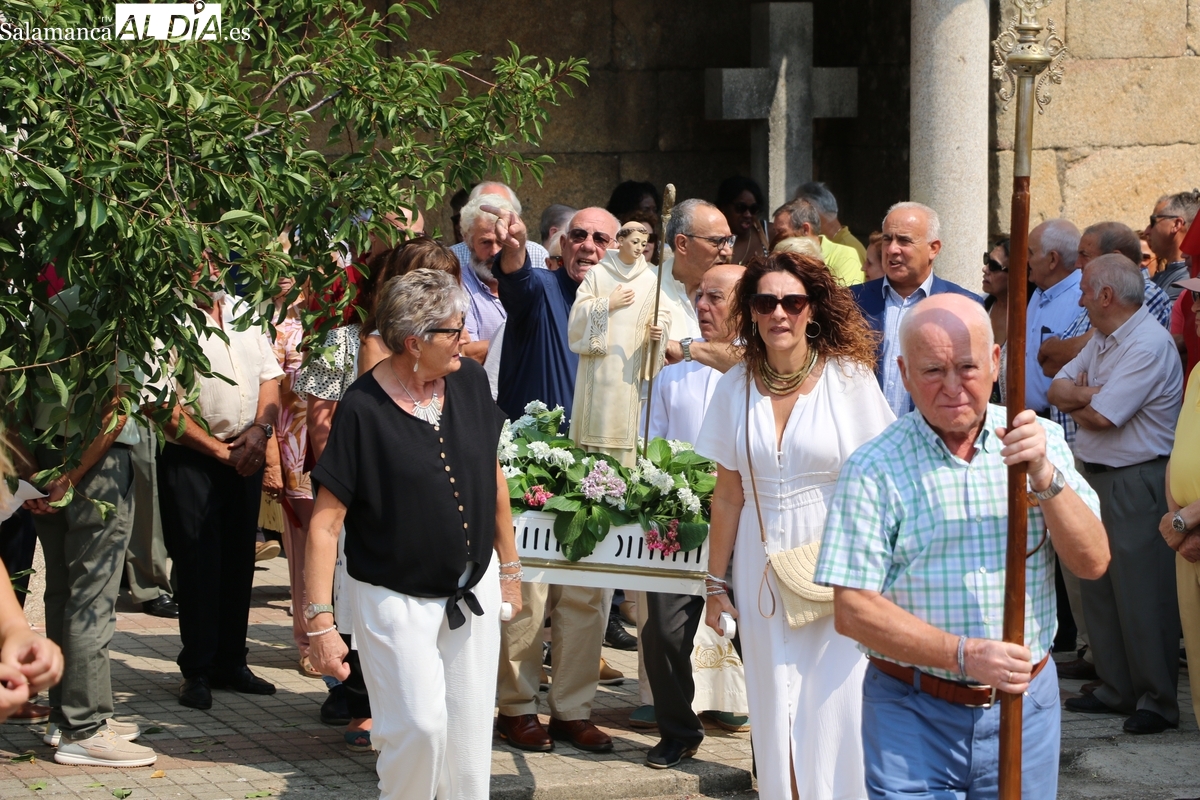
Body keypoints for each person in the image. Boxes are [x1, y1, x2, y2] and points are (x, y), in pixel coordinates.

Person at [817, 293, 1108, 800]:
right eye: (933, 370)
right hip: (911, 713)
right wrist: (964, 656)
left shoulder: (1037, 443)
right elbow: (853, 610)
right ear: (904, 374)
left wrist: (1044, 477)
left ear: (995, 363)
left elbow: (1093, 562)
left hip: (1024, 709)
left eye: (967, 367)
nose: (952, 387)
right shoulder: (874, 466)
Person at [305, 269, 520, 800]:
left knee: (469, 745)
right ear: (414, 342)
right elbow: (325, 524)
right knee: (418, 729)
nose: (466, 339)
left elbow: (492, 475)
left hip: (472, 588)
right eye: (454, 330)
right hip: (393, 596)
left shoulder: (469, 381)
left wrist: (511, 570)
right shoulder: (362, 408)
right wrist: (321, 624)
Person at [697, 252, 896, 799]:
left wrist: (882, 572)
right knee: (776, 704)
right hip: (760, 567)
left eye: (792, 301)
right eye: (765, 303)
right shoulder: (735, 386)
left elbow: (881, 481)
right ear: (751, 312)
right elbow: (728, 496)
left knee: (837, 706)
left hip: (839, 566)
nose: (779, 313)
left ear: (813, 309)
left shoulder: (849, 379)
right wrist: (714, 584)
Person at [488, 204, 621, 753]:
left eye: (601, 239)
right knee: (530, 594)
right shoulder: (541, 289)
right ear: (562, 245)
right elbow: (515, 279)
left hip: (599, 467)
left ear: (617, 249)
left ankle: (572, 710)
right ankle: (516, 708)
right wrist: (515, 247)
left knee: (586, 599)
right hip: (533, 469)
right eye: (578, 236)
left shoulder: (624, 304)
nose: (588, 245)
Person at [15, 283, 157, 766]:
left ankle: (65, 716)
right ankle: (86, 727)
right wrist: (70, 478)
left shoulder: (43, 303)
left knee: (63, 590)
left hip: (46, 452)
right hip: (94, 464)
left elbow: (13, 399)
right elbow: (116, 408)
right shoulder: (118, 303)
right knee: (91, 596)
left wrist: (35, 474)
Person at [1048, 253, 1184, 735]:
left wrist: (1085, 399)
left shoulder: (1148, 344)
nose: (1080, 300)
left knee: (1142, 595)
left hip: (1136, 479)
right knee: (1099, 589)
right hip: (1099, 476)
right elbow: (1055, 388)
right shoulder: (1105, 339)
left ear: (1106, 295)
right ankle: (1116, 688)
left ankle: (1156, 701)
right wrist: (1089, 394)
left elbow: (1104, 418)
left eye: (1085, 290)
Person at [157, 262, 284, 712]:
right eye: (194, 258)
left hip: (246, 451)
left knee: (238, 561)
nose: (205, 267)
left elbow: (270, 378)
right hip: (194, 457)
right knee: (197, 563)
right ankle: (197, 668)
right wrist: (217, 450)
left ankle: (232, 661)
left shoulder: (243, 309)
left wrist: (260, 432)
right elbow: (159, 403)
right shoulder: (165, 318)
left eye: (212, 258)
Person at [641, 263, 751, 768]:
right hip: (684, 516)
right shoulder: (674, 369)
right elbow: (654, 440)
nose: (702, 306)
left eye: (716, 297)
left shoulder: (765, 363)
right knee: (663, 631)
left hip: (749, 523)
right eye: (699, 296)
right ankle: (678, 731)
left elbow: (740, 360)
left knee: (756, 637)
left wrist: (687, 348)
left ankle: (772, 749)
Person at [293, 274, 373, 748]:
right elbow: (321, 427)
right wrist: (350, 488)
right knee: (345, 590)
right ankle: (348, 690)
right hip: (350, 490)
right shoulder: (340, 343)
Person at [851, 201, 981, 418]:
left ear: (933, 248)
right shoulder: (852, 301)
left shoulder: (963, 306)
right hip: (864, 433)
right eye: (887, 239)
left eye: (904, 240)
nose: (892, 249)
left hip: (930, 433)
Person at [567, 222, 667, 466]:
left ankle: (622, 473)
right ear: (620, 241)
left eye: (644, 244)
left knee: (624, 421)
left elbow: (661, 313)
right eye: (635, 242)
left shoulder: (651, 279)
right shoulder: (598, 274)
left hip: (629, 366)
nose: (639, 248)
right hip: (599, 366)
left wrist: (658, 330)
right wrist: (607, 304)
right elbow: (578, 314)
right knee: (595, 417)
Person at [263, 274, 319, 678]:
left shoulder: (342, 319)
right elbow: (269, 391)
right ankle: (309, 641)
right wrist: (272, 459)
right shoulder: (280, 323)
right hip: (297, 450)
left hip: (341, 448)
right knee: (304, 551)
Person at [1161, 276, 1200, 729]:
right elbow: (1179, 452)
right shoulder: (1198, 373)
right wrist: (1177, 519)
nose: (1195, 307)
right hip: (1186, 539)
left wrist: (1186, 519)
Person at [658, 199, 742, 374]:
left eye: (729, 240)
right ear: (682, 244)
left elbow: (766, 358)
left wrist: (687, 350)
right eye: (717, 241)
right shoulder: (644, 291)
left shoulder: (745, 289)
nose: (727, 250)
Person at [358, 237, 465, 373]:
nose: (448, 292)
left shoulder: (451, 328)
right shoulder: (377, 345)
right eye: (438, 285)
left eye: (452, 284)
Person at [1025, 219, 1083, 415]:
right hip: (1027, 417)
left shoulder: (1083, 299)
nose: (1026, 260)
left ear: (1052, 260)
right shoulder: (1038, 290)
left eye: (1031, 253)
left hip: (1059, 422)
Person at [768, 199, 862, 286]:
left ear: (805, 229)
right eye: (775, 232)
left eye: (781, 232)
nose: (776, 238)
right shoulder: (780, 258)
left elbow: (843, 297)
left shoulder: (845, 255)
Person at [795, 181, 867, 265]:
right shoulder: (826, 244)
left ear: (814, 211)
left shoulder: (848, 248)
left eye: (799, 211)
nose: (797, 218)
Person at [1144, 189, 1199, 299]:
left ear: (1176, 224)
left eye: (1153, 222)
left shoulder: (1188, 278)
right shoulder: (1162, 276)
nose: (1147, 231)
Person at [716, 176, 768, 265]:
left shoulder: (768, 233)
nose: (748, 215)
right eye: (741, 207)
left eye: (753, 209)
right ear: (724, 206)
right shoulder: (712, 239)